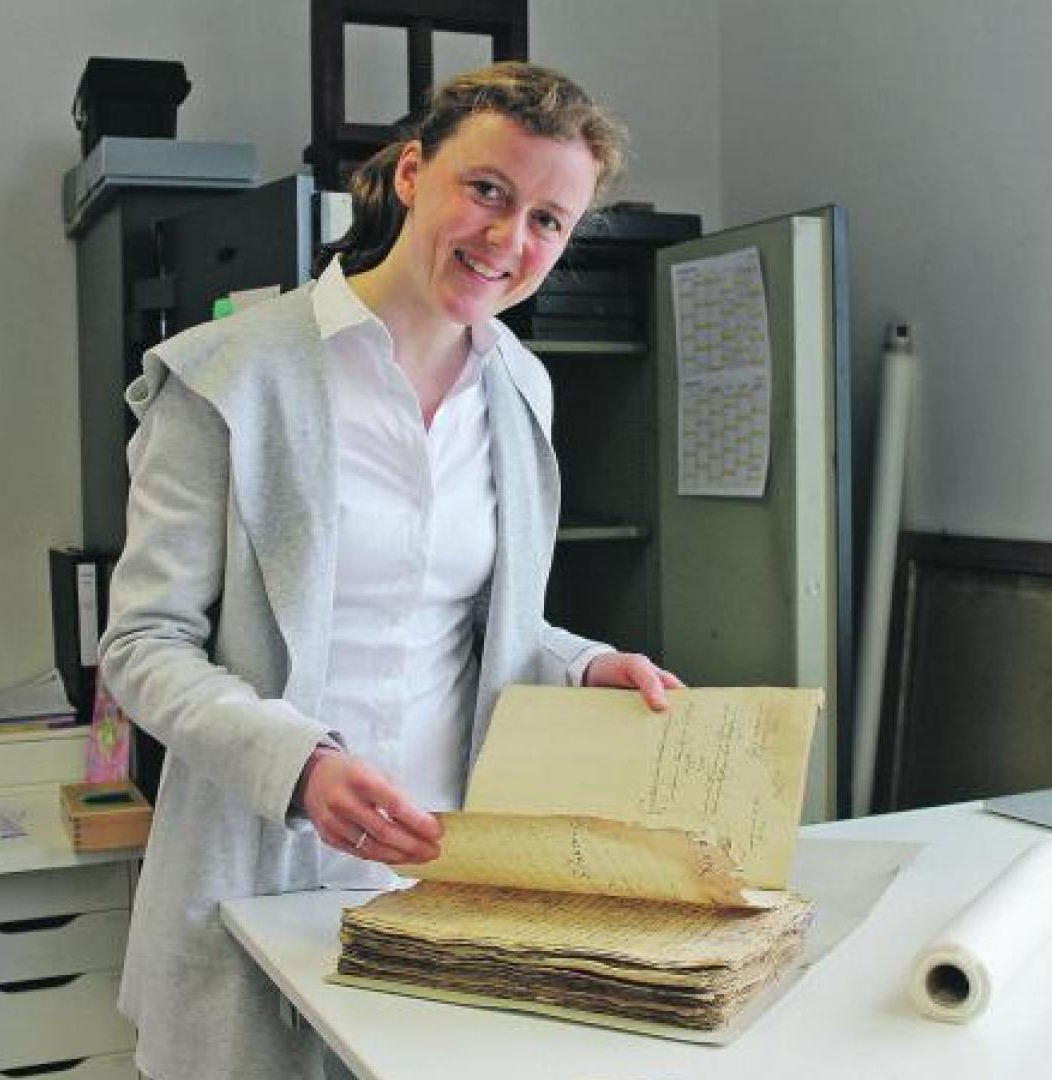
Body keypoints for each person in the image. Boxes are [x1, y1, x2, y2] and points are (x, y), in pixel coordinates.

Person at [97, 61, 682, 1080]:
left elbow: (481, 621)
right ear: (412, 174)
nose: (508, 239)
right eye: (487, 190)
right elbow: (144, 646)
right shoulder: (230, 375)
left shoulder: (521, 388)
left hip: (449, 883)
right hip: (259, 875)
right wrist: (301, 766)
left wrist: (584, 665)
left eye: (548, 220)